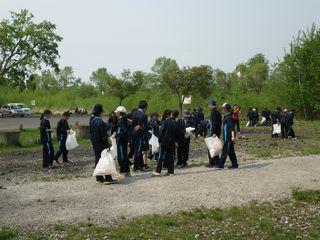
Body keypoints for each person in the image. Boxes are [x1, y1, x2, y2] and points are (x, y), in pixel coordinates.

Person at [89, 104, 114, 184]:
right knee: (106, 160)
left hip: (95, 144)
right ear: (101, 112)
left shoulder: (92, 121)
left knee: (98, 160)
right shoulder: (100, 122)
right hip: (102, 145)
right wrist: (107, 144)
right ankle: (107, 178)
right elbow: (103, 135)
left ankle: (99, 178)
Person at [153, 110, 178, 176]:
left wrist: (159, 140)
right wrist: (176, 141)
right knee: (171, 156)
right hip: (172, 142)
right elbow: (176, 134)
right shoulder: (175, 123)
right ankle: (171, 171)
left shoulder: (165, 122)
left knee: (161, 156)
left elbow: (161, 132)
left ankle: (158, 171)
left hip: (164, 141)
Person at [218, 103, 238, 169]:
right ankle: (235, 165)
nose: (222, 109)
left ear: (225, 109)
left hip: (228, 137)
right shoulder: (227, 116)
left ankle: (220, 165)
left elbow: (232, 127)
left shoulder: (229, 117)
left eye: (223, 108)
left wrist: (233, 136)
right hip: (226, 137)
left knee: (225, 151)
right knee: (231, 151)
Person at [131, 100, 149, 172]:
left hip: (134, 134)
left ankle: (141, 166)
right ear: (145, 107)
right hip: (141, 135)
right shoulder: (144, 115)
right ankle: (136, 167)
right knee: (138, 151)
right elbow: (145, 126)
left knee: (138, 150)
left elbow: (133, 124)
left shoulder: (134, 113)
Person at [114, 106, 130, 177]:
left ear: (119, 113)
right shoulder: (124, 120)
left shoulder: (121, 121)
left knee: (122, 156)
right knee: (124, 155)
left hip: (121, 141)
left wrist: (117, 135)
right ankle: (127, 171)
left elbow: (124, 131)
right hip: (123, 140)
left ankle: (122, 172)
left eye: (116, 112)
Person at [207, 99, 222, 167]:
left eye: (208, 104)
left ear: (211, 104)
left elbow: (213, 123)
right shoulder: (218, 112)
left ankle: (212, 162)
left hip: (214, 132)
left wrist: (213, 132)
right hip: (217, 131)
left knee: (211, 147)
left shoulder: (213, 112)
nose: (208, 106)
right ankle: (216, 161)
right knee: (216, 147)